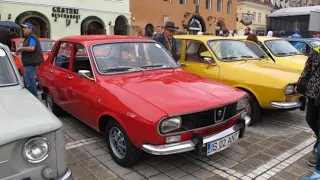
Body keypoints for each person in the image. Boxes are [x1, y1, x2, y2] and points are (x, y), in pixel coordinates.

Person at [300, 46, 320, 180]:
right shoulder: (317, 50)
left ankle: (317, 151)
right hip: (313, 92)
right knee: (310, 119)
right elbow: (307, 68)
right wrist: (302, 81)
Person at [16, 22, 44, 97]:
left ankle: (34, 98)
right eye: (23, 28)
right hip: (28, 63)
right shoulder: (28, 37)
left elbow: (32, 48)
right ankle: (31, 96)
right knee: (28, 81)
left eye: (25, 28)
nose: (23, 29)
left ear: (30, 29)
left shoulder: (32, 37)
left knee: (30, 82)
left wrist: (20, 48)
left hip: (31, 63)